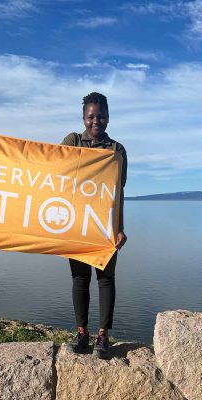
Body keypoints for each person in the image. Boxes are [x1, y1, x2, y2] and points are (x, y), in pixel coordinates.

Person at [61, 92, 128, 359]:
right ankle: (81, 332)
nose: (95, 121)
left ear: (108, 118)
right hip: (77, 223)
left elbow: (118, 193)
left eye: (100, 116)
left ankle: (103, 336)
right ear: (83, 118)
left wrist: (120, 228)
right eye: (91, 116)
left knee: (105, 278)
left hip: (104, 225)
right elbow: (52, 169)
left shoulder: (117, 150)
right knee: (79, 279)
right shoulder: (73, 141)